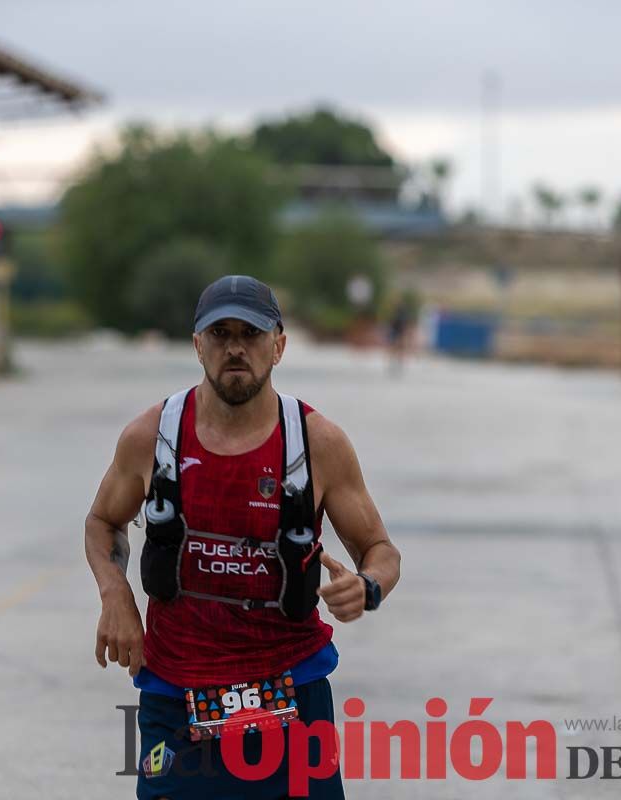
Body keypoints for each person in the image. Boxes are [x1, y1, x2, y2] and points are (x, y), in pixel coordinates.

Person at [85, 275, 401, 799]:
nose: (235, 348)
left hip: (290, 691)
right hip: (177, 693)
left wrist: (367, 586)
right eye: (220, 333)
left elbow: (381, 550)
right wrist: (115, 595)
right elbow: (101, 522)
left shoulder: (316, 443)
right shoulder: (152, 438)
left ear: (278, 345)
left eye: (251, 334)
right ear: (197, 345)